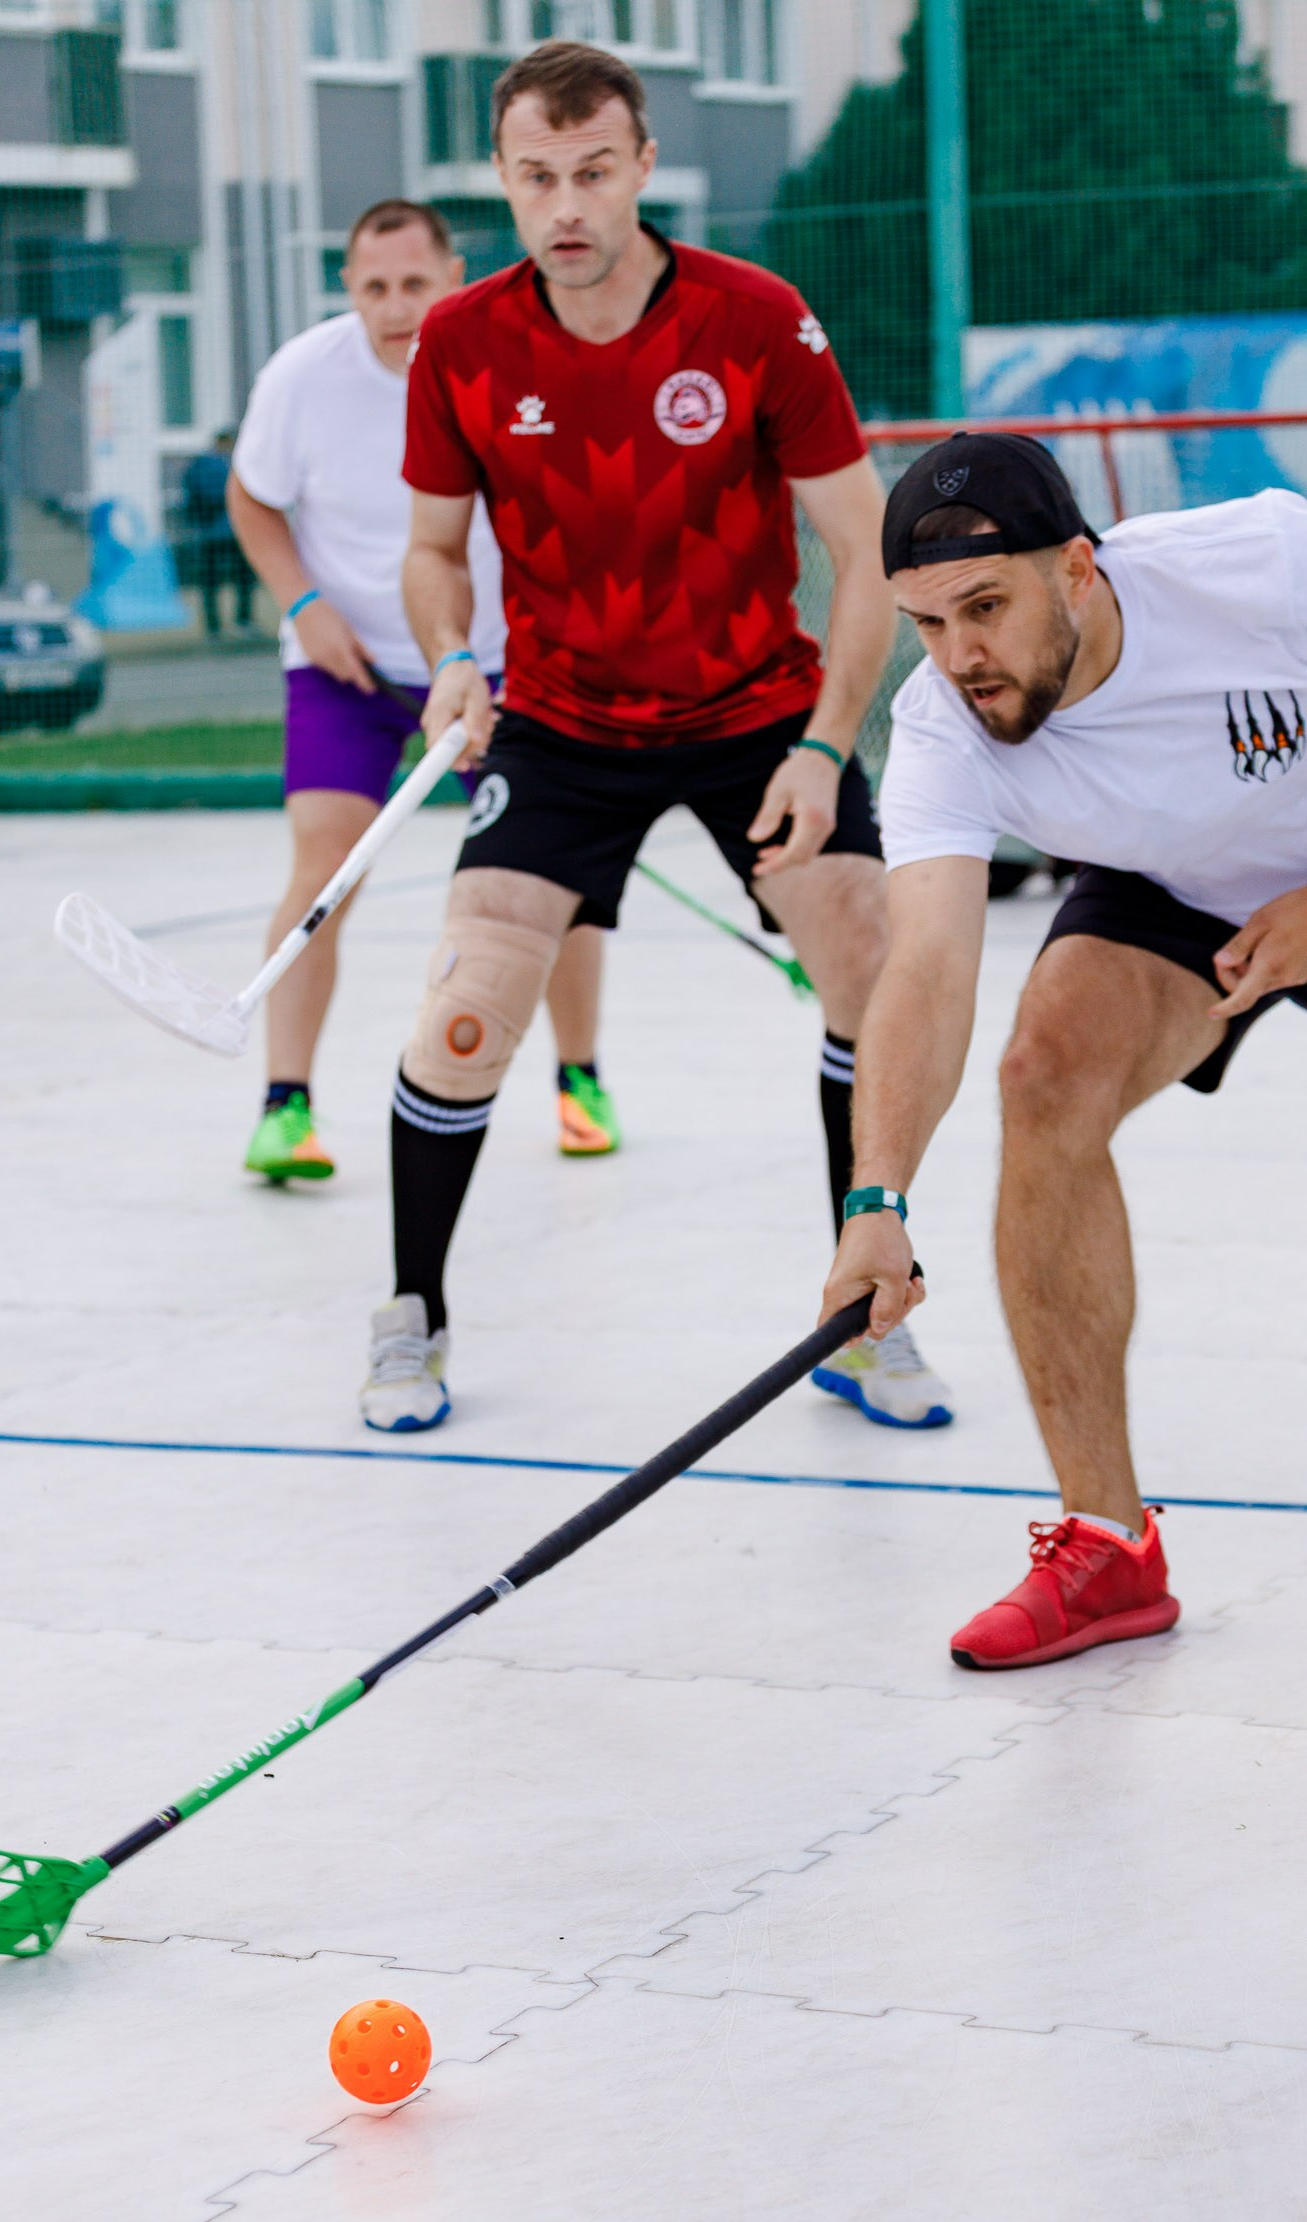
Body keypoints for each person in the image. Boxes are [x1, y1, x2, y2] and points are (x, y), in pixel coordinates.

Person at [358, 38, 953, 1436]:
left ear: (639, 168)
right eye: (534, 177)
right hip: (557, 726)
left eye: (591, 172)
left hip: (755, 715)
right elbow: (433, 550)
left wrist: (825, 742)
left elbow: (862, 548)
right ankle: (410, 1315)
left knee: (871, 982)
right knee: (460, 1021)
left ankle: (858, 1317)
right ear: (501, 181)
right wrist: (452, 656)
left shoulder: (754, 320)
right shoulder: (460, 341)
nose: (564, 205)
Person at [821, 430, 1307, 1668]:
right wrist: (876, 1197)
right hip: (1183, 883)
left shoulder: (1267, 565)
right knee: (1047, 1074)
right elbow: (925, 969)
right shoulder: (942, 728)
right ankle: (1107, 1547)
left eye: (986, 606)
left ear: (1078, 569)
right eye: (928, 622)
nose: (961, 656)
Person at [227, 199, 620, 1187]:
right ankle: (286, 1107)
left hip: (495, 660)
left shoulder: (517, 361)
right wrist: (305, 603)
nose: (396, 307)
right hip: (344, 661)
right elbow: (253, 496)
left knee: (549, 873)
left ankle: (580, 1080)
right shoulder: (302, 377)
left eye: (414, 283)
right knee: (324, 863)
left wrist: (528, 658)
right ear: (348, 291)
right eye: (373, 287)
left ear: (454, 279)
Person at [180, 429, 255, 637]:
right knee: (243, 579)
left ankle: (213, 627)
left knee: (210, 581)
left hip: (208, 533)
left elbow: (191, 498)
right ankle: (243, 621)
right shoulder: (237, 464)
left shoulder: (199, 465)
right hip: (238, 531)